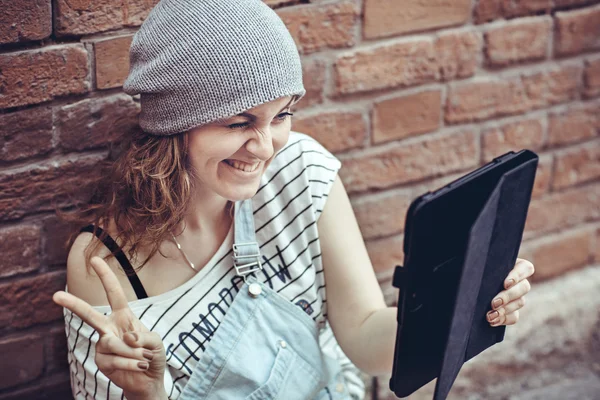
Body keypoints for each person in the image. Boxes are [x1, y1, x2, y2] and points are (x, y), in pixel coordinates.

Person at [52, 1, 535, 399]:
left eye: (281, 115)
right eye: (238, 123)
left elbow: (365, 337)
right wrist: (149, 394)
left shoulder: (299, 170)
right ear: (174, 125)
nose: (265, 147)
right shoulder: (105, 266)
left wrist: (467, 302)